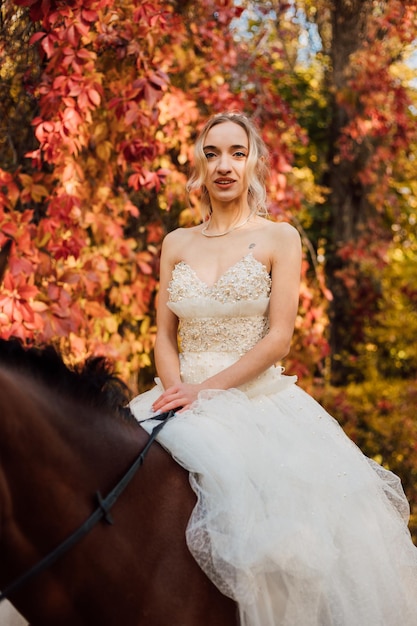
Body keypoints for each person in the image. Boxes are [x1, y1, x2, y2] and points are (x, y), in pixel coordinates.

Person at [130, 112, 417, 625]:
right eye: (213, 153)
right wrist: (177, 392)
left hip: (256, 403)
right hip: (177, 398)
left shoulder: (279, 238)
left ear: (254, 162)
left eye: (237, 153)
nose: (224, 165)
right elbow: (164, 335)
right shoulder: (176, 243)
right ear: (199, 163)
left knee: (285, 546)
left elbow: (279, 337)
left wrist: (207, 392)